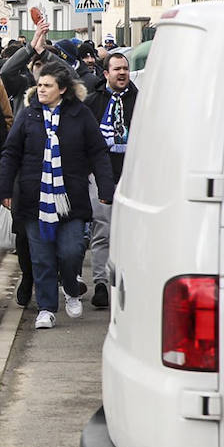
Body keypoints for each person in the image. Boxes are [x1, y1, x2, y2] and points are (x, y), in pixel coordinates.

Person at [0, 61, 114, 330]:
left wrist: (106, 188)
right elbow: (11, 152)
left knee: (71, 251)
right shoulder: (28, 115)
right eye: (39, 85)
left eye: (47, 85)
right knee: (42, 258)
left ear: (62, 89)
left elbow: (97, 152)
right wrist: (4, 190)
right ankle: (47, 308)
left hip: (71, 199)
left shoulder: (80, 115)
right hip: (34, 199)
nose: (41, 90)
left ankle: (71, 287)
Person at [82, 52, 135, 310]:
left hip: (133, 176)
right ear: (106, 73)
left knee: (131, 233)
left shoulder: (141, 101)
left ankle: (130, 282)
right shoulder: (93, 102)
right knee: (102, 230)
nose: (122, 73)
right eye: (116, 69)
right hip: (101, 175)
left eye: (125, 68)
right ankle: (101, 283)